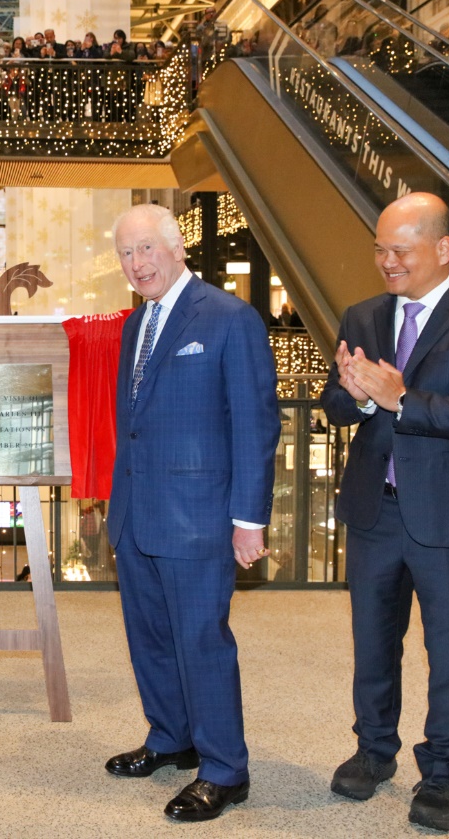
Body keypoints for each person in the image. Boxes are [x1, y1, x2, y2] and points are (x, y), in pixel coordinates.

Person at [321, 192, 449, 832]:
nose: (386, 261)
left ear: (443, 249)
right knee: (372, 645)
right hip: (375, 511)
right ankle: (373, 750)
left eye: (400, 250)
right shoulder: (361, 315)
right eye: (380, 249)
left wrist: (404, 400)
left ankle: (443, 775)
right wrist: (355, 399)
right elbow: (335, 402)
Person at [103, 204, 279, 824]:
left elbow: (257, 424)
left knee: (202, 642)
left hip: (201, 516)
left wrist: (249, 518)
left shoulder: (231, 319)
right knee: (149, 638)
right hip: (137, 512)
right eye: (126, 253)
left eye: (147, 248)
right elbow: (136, 425)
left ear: (178, 249)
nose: (137, 263)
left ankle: (226, 769)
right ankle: (170, 737)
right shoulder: (134, 325)